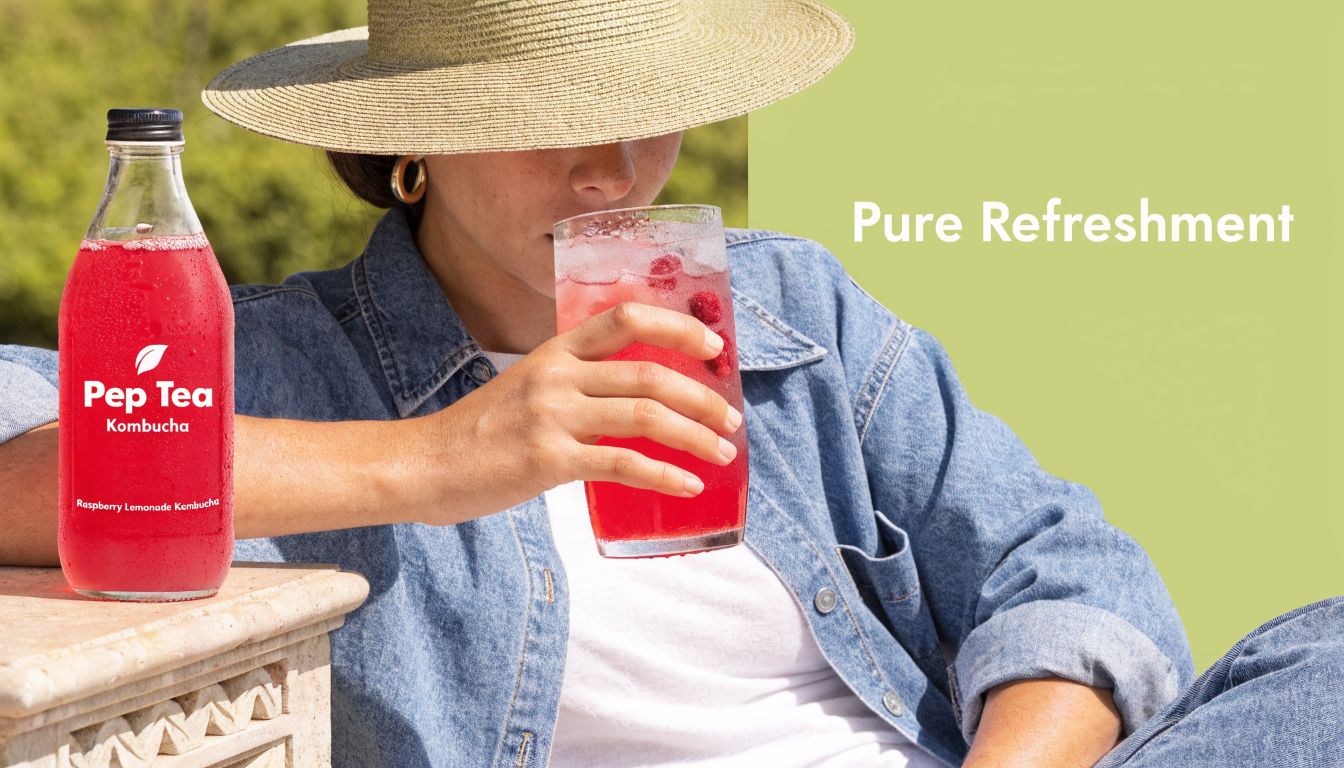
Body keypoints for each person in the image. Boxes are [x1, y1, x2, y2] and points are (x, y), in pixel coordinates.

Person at [1, 1, 1340, 766]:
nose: (616, 169)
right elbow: (35, 461)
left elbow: (1068, 578)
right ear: (414, 138)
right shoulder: (294, 359)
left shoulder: (785, 308)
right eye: (549, 121)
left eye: (649, 109)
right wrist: (449, 459)